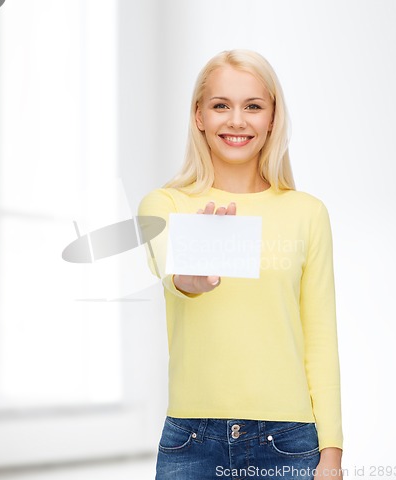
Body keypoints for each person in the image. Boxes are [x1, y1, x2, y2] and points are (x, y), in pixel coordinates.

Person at [138, 49, 343, 480]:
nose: (236, 120)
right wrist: (191, 278)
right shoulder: (164, 205)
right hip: (191, 440)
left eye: (252, 106)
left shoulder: (307, 212)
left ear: (272, 117)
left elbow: (320, 339)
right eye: (220, 106)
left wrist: (331, 456)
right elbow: (173, 277)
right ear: (199, 116)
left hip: (288, 443)